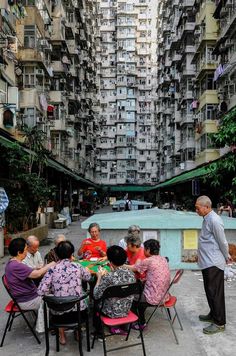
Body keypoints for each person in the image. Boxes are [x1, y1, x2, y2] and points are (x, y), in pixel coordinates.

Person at [38, 240, 91, 345]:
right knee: (82, 295)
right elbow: (88, 277)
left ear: (57, 254)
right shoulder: (78, 267)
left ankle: (62, 335)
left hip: (59, 314)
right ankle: (78, 331)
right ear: (71, 254)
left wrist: (53, 290)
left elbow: (40, 291)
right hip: (79, 314)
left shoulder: (52, 270)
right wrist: (85, 269)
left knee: (60, 303)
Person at [195, 195, 231, 334]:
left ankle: (219, 322)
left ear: (207, 207)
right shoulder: (207, 218)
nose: (196, 210)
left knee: (215, 293)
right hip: (207, 261)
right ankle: (213, 314)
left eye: (198, 208)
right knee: (209, 291)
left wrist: (227, 256)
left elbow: (222, 241)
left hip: (213, 262)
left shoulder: (215, 220)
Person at [5, 237, 55, 319]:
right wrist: (51, 264)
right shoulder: (17, 266)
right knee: (56, 299)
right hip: (27, 300)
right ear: (19, 252)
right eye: (25, 249)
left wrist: (37, 269)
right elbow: (37, 274)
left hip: (25, 297)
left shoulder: (12, 263)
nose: (26, 251)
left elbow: (31, 271)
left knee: (51, 290)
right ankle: (53, 325)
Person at [93, 245, 136, 336]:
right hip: (126, 310)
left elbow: (96, 295)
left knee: (94, 303)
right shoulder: (132, 274)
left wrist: (99, 277)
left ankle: (99, 333)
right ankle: (123, 325)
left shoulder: (108, 277)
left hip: (110, 313)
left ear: (110, 261)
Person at [128, 239, 171, 330]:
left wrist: (119, 265)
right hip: (165, 295)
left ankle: (141, 322)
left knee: (132, 296)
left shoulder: (148, 261)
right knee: (141, 289)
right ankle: (141, 316)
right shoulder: (163, 259)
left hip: (154, 297)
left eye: (144, 249)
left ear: (147, 250)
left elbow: (134, 268)